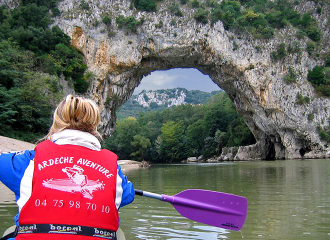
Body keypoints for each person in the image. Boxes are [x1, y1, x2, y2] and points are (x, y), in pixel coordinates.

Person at [0, 95, 135, 240]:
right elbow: (128, 195)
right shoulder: (113, 167)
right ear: (94, 127)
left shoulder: (28, 161)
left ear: (56, 123)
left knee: (12, 229)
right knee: (118, 234)